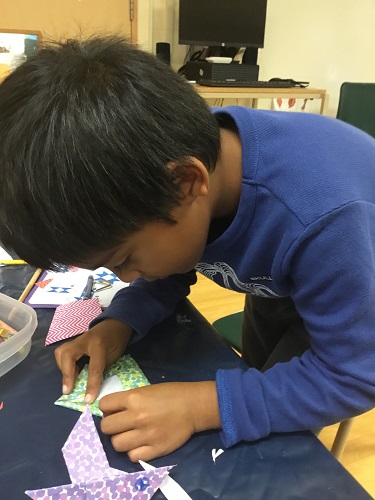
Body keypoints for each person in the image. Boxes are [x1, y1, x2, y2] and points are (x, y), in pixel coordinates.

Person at [1, 35, 375, 463]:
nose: (123, 277)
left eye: (123, 261)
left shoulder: (326, 218)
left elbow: (354, 374)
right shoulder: (170, 161)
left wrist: (202, 405)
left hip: (358, 277)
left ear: (186, 184)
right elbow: (174, 258)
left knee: (278, 438)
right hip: (282, 275)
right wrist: (119, 322)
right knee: (256, 382)